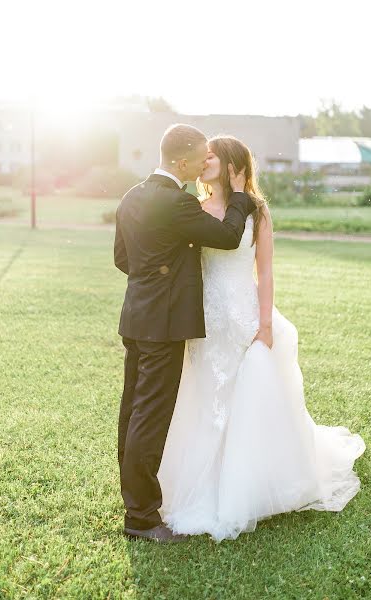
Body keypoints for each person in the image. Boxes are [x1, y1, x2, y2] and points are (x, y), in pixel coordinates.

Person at [157, 135, 366, 542]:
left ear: (233, 163)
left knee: (248, 395)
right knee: (206, 396)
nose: (204, 161)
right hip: (208, 320)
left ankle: (254, 482)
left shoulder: (258, 212)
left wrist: (265, 324)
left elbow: (265, 272)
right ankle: (202, 482)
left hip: (246, 315)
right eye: (202, 156)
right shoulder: (195, 209)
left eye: (212, 155)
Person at [114, 124, 257, 543]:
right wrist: (243, 197)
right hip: (163, 326)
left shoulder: (131, 197)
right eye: (199, 159)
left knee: (132, 413)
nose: (202, 166)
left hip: (136, 319)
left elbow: (124, 258)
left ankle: (134, 502)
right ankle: (141, 518)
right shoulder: (177, 203)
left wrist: (156, 277)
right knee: (150, 418)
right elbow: (229, 237)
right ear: (181, 161)